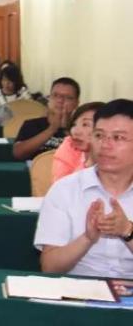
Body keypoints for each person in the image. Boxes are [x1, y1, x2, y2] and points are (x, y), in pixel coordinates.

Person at [35, 99, 133, 278]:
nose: (105, 145)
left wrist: (127, 230)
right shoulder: (65, 190)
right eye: (99, 135)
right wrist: (87, 238)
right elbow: (49, 267)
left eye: (118, 138)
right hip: (79, 287)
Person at [12, 78, 81, 160]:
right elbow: (18, 153)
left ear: (76, 103)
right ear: (49, 99)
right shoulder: (32, 125)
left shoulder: (82, 129)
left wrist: (67, 131)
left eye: (68, 97)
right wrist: (52, 129)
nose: (60, 100)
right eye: (55, 95)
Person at [52, 102, 105, 183]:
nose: (75, 131)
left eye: (85, 124)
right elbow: (61, 187)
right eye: (74, 124)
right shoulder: (69, 146)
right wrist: (89, 162)